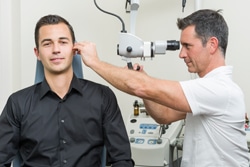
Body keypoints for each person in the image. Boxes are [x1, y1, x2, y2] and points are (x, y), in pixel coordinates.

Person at [75, 9, 250, 167]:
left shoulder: (218, 89)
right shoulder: (208, 92)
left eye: (188, 46)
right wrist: (143, 79)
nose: (182, 54)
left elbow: (140, 87)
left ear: (212, 44)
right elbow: (163, 115)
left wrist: (94, 62)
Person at [0, 15, 134, 167]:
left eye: (63, 42)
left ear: (75, 49)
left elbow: (122, 160)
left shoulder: (102, 97)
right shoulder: (18, 103)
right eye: (47, 44)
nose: (56, 50)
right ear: (37, 53)